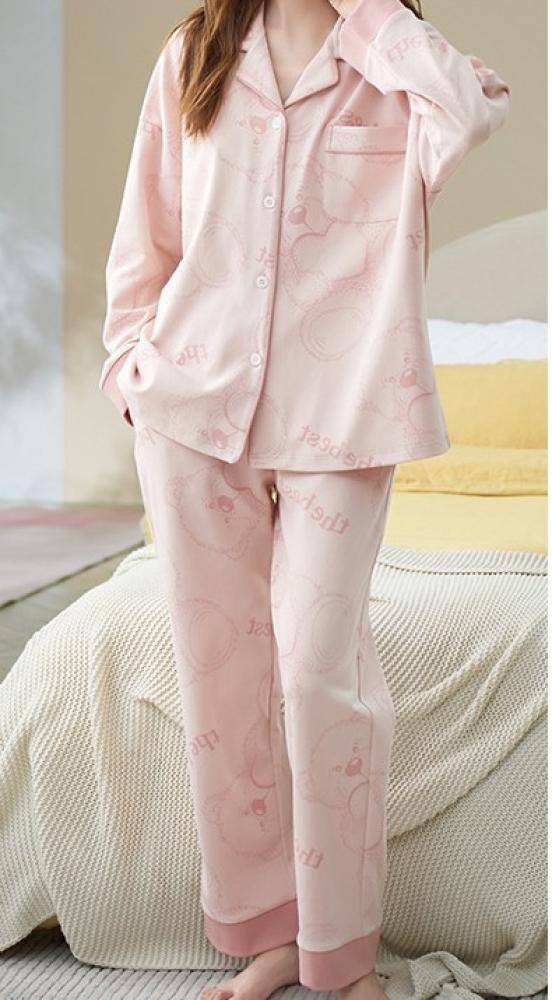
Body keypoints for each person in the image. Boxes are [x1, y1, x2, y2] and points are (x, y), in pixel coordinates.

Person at [98, 1, 510, 996]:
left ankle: (341, 952)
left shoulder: (395, 62)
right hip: (193, 411)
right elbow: (149, 229)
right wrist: (129, 369)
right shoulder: (195, 54)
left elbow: (466, 112)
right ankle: (272, 938)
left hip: (345, 412)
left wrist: (367, 10)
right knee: (223, 689)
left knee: (322, 674)